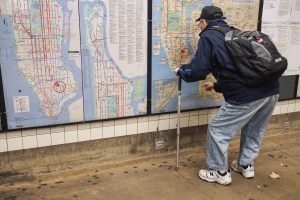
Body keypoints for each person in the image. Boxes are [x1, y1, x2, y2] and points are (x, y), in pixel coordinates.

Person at [175, 5, 279, 185]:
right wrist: (216, 85)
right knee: (254, 128)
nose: (199, 27)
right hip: (271, 91)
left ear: (204, 22)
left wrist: (182, 71)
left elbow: (198, 70)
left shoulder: (208, 36)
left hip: (247, 95)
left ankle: (219, 171)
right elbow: (239, 70)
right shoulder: (234, 32)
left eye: (200, 23)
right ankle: (245, 165)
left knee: (218, 130)